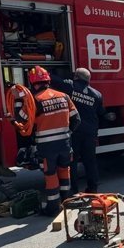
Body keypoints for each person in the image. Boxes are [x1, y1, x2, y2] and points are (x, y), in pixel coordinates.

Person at [51, 67, 114, 194]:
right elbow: (101, 112)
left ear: (76, 77)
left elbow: (54, 80)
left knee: (72, 162)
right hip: (90, 133)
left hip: (74, 132)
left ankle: (73, 190)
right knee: (90, 161)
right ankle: (93, 188)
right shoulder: (97, 94)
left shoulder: (70, 87)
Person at [29, 66, 80, 215]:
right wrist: (67, 133)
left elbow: (25, 123)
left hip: (47, 147)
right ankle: (66, 201)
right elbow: (76, 119)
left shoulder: (34, 101)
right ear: (48, 80)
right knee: (64, 170)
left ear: (33, 83)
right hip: (65, 143)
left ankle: (53, 207)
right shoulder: (64, 96)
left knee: (51, 175)